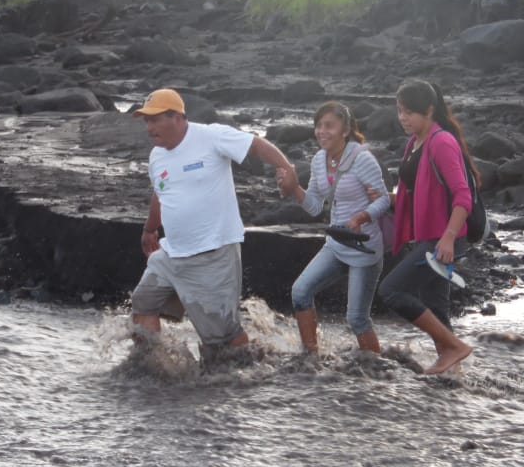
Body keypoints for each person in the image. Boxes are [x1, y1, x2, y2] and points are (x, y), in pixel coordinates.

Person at [130, 88, 298, 362]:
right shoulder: (157, 155)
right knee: (143, 304)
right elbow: (161, 193)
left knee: (223, 341)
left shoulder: (211, 136)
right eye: (146, 121)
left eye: (155, 119)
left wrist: (287, 169)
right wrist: (150, 228)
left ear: (177, 117)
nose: (149, 127)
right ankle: (155, 369)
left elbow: (255, 144)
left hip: (213, 253)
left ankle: (253, 374)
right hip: (172, 253)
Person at [378, 81, 478, 375]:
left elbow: (463, 196)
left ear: (430, 110)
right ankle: (453, 380)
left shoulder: (442, 142)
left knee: (391, 290)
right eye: (400, 111)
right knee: (436, 307)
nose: (402, 118)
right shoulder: (415, 143)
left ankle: (455, 348)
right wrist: (388, 199)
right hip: (428, 237)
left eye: (409, 112)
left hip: (442, 239)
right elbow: (418, 189)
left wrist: (447, 239)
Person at [277, 102, 391, 355]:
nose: (321, 131)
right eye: (318, 126)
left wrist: (362, 216)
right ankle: (311, 359)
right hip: (337, 243)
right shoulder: (319, 160)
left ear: (346, 130)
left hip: (364, 246)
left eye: (329, 125)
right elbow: (315, 207)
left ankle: (379, 371)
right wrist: (293, 188)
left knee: (356, 319)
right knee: (300, 292)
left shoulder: (362, 159)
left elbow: (383, 199)